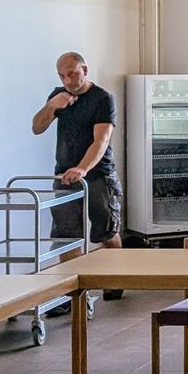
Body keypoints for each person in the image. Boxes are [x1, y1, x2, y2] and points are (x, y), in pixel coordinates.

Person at [32, 53, 123, 282]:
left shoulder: (102, 98)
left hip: (98, 175)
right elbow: (37, 127)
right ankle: (75, 291)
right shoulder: (58, 96)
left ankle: (115, 281)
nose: (68, 80)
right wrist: (52, 106)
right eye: (62, 76)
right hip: (65, 175)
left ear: (85, 70)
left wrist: (82, 168)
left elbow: (101, 140)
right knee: (66, 236)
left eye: (72, 74)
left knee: (106, 231)